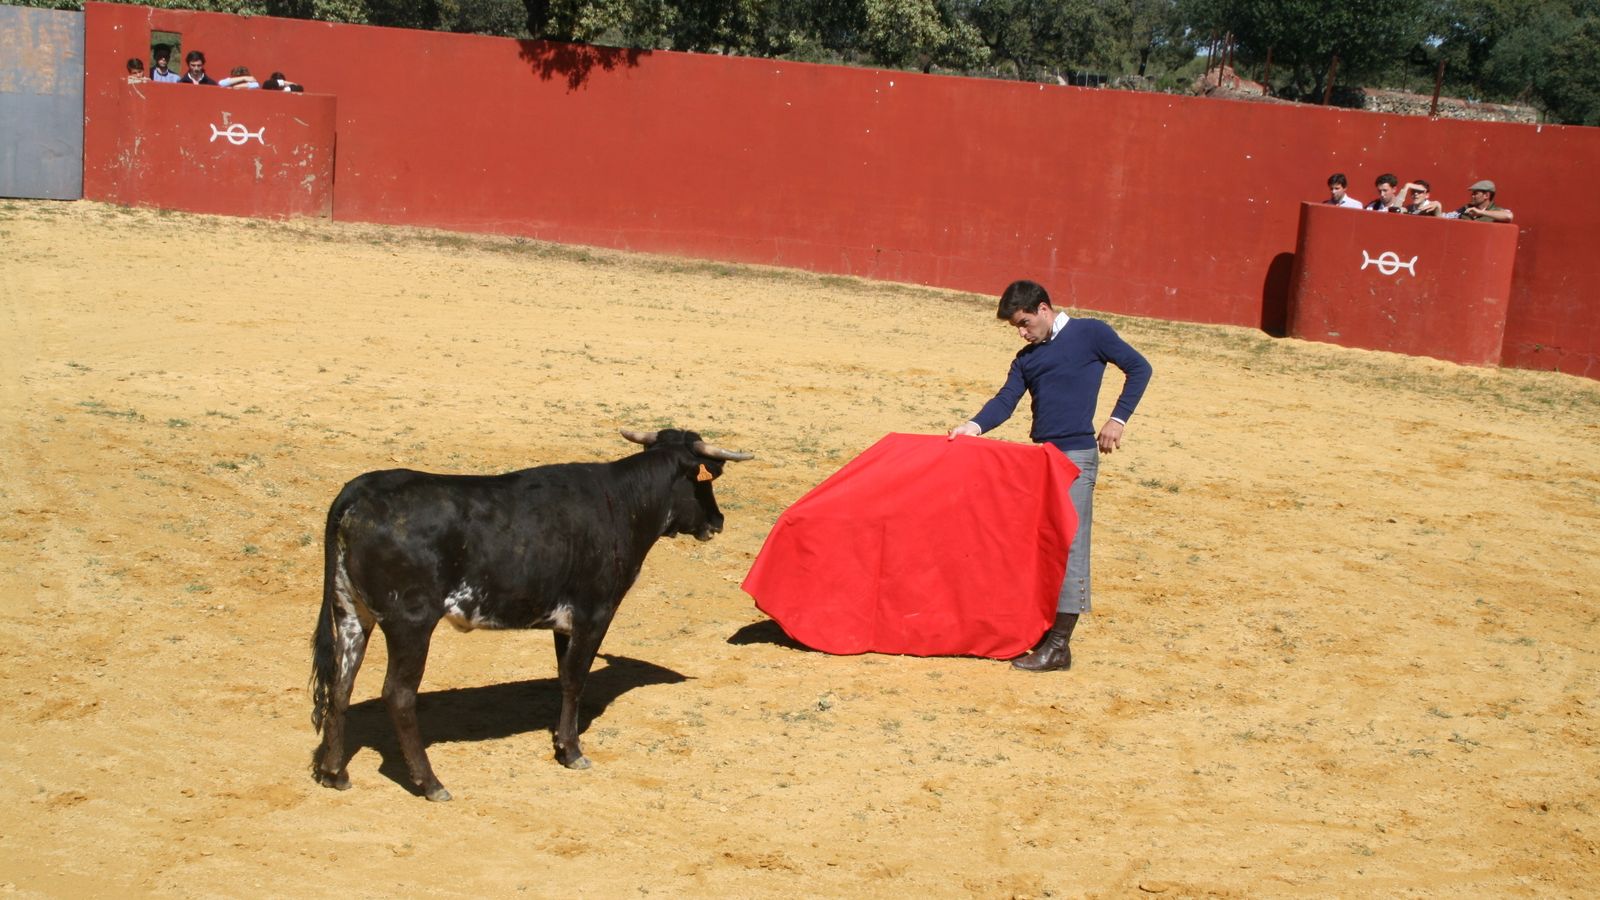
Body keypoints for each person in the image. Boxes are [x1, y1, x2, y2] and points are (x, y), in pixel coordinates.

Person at [947, 280, 1153, 672]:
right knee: (1040, 544)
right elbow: (1006, 401)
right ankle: (1043, 633)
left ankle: (1058, 646)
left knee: (1070, 544)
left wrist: (1117, 419)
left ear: (1044, 309)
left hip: (1076, 456)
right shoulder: (1027, 359)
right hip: (1042, 458)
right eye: (1017, 328)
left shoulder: (1090, 333)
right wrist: (972, 427)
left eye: (1025, 323)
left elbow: (1139, 368)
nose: (1023, 333)